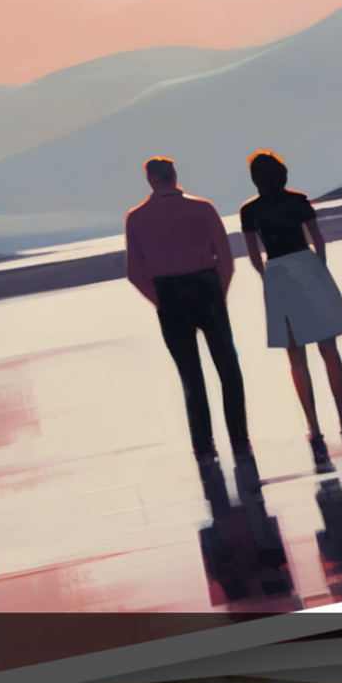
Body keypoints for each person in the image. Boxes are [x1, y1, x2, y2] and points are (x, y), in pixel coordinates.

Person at [124, 157, 252, 466]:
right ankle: (239, 437)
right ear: (174, 175)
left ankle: (202, 443)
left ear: (150, 179)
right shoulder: (202, 208)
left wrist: (159, 299)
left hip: (169, 293)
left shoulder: (137, 218)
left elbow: (134, 272)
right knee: (227, 367)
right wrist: (218, 293)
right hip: (206, 286)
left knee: (190, 374)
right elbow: (225, 257)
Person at [239, 151, 342, 471]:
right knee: (328, 347)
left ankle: (314, 427)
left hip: (278, 273)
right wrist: (318, 269)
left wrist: (268, 278)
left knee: (296, 354)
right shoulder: (299, 201)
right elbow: (319, 241)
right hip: (307, 267)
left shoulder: (249, 211)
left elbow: (253, 256)